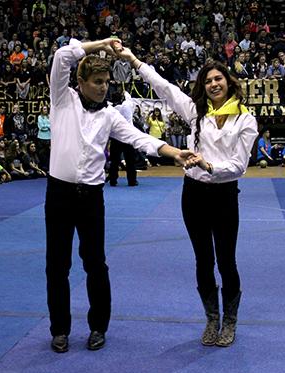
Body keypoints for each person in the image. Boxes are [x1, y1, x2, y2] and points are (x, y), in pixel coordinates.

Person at [45, 37, 192, 354]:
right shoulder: (61, 99)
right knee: (56, 265)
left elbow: (140, 139)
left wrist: (173, 152)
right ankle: (59, 330)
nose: (102, 87)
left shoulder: (110, 115)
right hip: (58, 194)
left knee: (95, 263)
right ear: (80, 81)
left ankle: (98, 326)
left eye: (106, 82)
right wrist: (99, 44)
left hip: (91, 197)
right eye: (97, 81)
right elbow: (61, 55)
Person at [115, 44, 258, 347]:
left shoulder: (245, 119)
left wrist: (208, 165)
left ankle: (230, 322)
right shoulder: (197, 112)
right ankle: (211, 319)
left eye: (218, 79)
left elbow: (239, 166)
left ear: (229, 82)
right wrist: (135, 60)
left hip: (224, 195)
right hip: (192, 194)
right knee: (203, 260)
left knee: (227, 261)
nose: (213, 84)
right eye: (208, 81)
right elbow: (165, 88)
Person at [107, 89, 138, 186]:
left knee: (114, 161)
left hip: (116, 137)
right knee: (130, 160)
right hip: (127, 136)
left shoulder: (110, 109)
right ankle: (132, 181)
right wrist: (125, 92)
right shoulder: (127, 106)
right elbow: (129, 98)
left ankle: (113, 180)